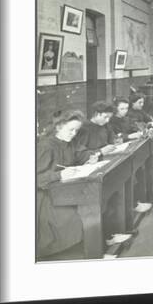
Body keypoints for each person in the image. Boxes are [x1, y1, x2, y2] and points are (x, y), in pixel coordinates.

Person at [36, 109, 100, 259]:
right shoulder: (45, 146)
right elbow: (34, 178)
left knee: (95, 204)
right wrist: (59, 174)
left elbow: (79, 155)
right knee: (77, 217)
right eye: (71, 130)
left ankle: (94, 247)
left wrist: (90, 157)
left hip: (66, 190)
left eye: (76, 130)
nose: (74, 134)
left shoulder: (70, 142)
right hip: (46, 196)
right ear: (58, 127)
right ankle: (82, 254)